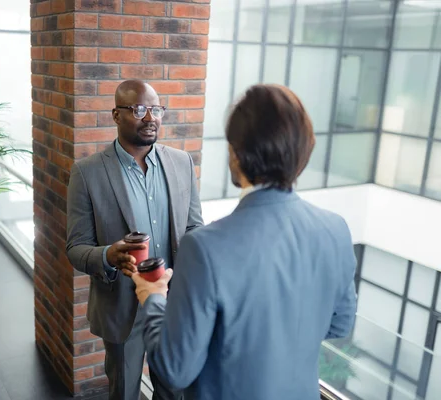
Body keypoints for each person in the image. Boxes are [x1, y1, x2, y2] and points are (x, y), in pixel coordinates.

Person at [127, 84, 358, 400]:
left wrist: (153, 296)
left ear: (236, 154)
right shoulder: (336, 229)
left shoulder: (205, 247)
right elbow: (340, 323)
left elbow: (174, 369)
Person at [66, 80, 203, 400]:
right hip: (122, 306)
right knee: (124, 390)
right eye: (139, 110)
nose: (150, 118)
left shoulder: (182, 163)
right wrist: (108, 256)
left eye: (156, 110)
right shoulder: (88, 172)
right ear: (116, 115)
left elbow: (194, 227)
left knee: (173, 390)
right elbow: (75, 247)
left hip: (174, 301)